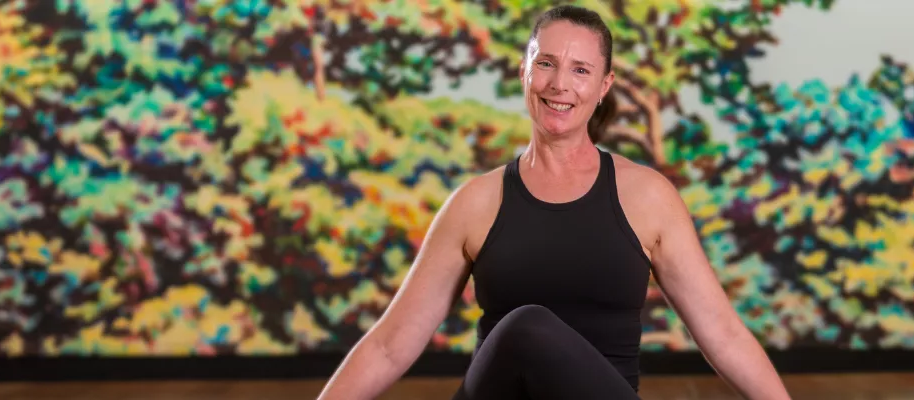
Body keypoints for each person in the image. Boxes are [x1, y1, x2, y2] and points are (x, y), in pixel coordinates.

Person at [315, 5, 791, 400]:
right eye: (546, 63)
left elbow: (724, 336)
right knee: (526, 328)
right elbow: (388, 347)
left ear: (603, 87)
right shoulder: (475, 203)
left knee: (532, 326)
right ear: (524, 71)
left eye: (580, 70)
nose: (560, 84)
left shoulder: (647, 197)